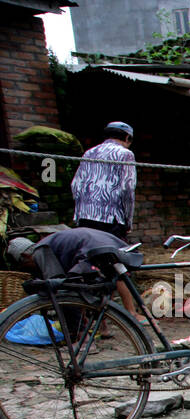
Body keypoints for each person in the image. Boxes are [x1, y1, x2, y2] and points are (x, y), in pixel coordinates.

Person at [6, 227, 141, 323]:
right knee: (107, 280)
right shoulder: (49, 245)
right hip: (104, 243)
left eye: (25, 266)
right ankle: (101, 327)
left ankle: (81, 336)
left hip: (92, 247)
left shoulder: (39, 251)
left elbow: (58, 284)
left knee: (68, 292)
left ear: (25, 256)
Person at [70, 121, 136, 238]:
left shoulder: (89, 152)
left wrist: (79, 213)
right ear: (127, 137)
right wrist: (128, 220)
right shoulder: (125, 154)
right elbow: (127, 188)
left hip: (85, 216)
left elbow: (76, 184)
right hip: (110, 218)